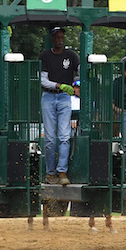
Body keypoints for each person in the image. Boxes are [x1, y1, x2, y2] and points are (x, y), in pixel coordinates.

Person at [39, 26, 80, 185]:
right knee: (50, 139)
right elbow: (43, 80)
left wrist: (78, 84)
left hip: (64, 98)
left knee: (64, 136)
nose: (60, 39)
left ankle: (62, 172)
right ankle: (50, 173)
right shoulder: (45, 56)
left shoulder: (71, 55)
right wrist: (60, 85)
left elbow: (81, 70)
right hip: (49, 96)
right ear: (52, 39)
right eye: (57, 37)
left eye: (62, 36)